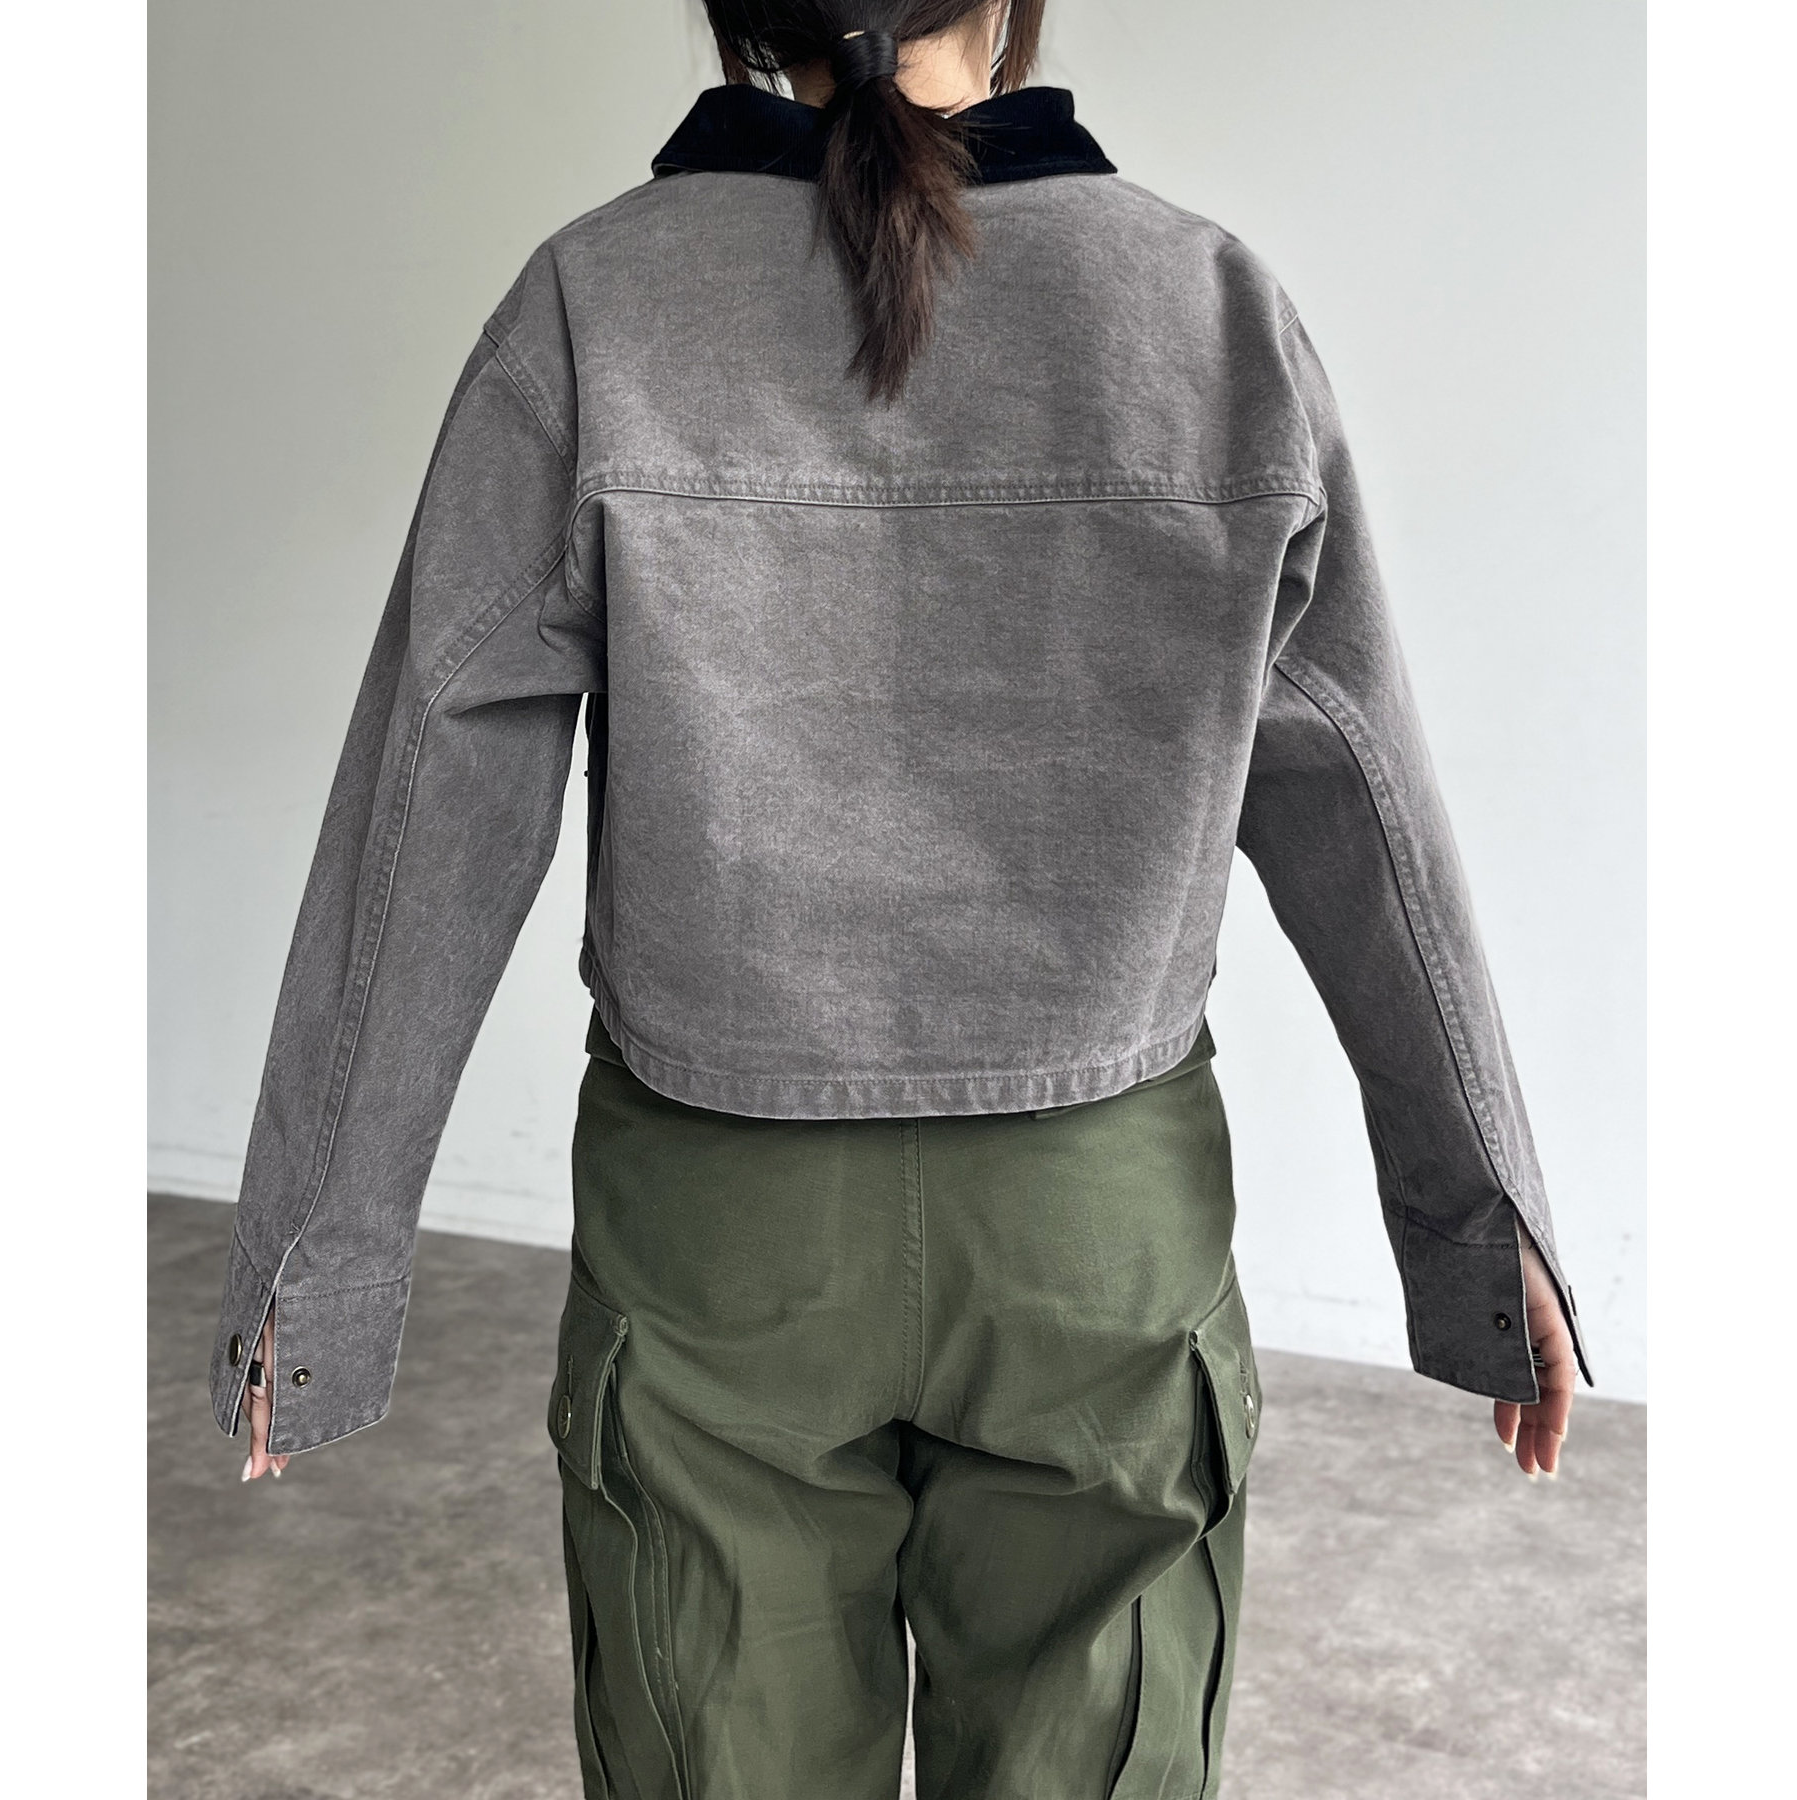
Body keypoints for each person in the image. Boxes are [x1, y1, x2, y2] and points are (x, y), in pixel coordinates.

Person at [212, 3, 1592, 1795]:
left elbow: (435, 785)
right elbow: (1361, 794)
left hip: (721, 1234)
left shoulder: (594, 304)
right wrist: (1492, 1223)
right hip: (1095, 1230)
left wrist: (314, 1261)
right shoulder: (1208, 306)